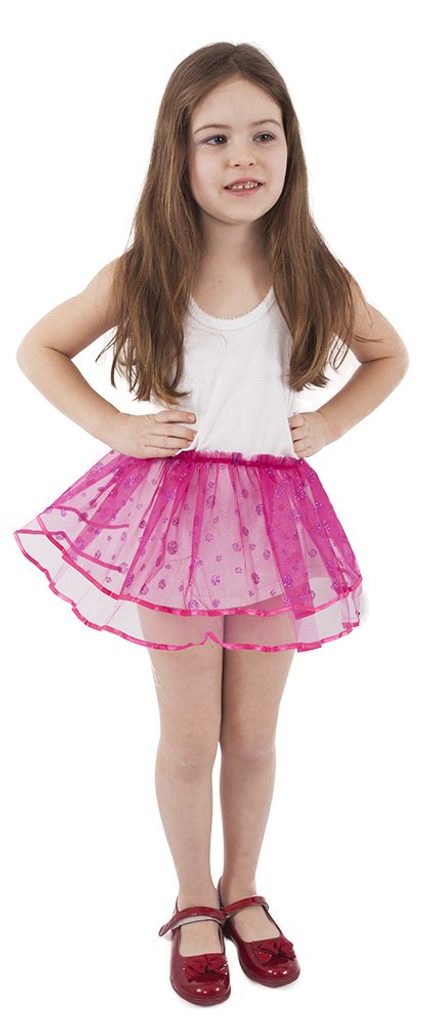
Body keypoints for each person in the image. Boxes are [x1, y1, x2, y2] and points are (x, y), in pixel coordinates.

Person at [12, 42, 409, 1006]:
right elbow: (40, 347)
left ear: (291, 148)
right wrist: (117, 427)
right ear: (178, 154)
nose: (243, 157)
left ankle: (245, 889)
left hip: (273, 524)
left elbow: (389, 355)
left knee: (255, 734)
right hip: (175, 525)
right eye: (216, 138)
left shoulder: (310, 270)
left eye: (263, 135)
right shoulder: (148, 269)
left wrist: (327, 425)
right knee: (190, 735)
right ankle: (193, 899)